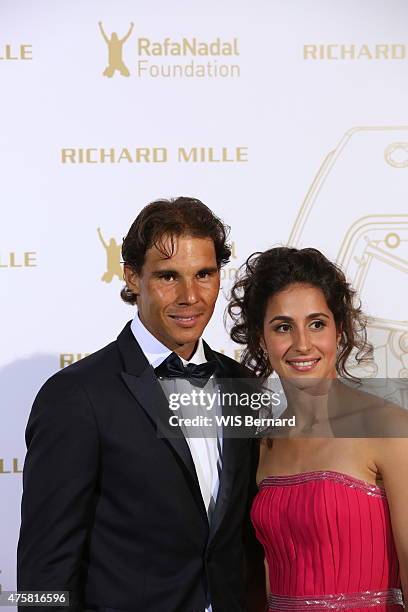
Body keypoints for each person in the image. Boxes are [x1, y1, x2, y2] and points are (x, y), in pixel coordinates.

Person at [17, 197, 265, 612]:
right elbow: (45, 572)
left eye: (204, 274)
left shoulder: (242, 385)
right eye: (169, 276)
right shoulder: (77, 396)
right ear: (132, 277)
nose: (191, 296)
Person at [228, 246, 408, 611]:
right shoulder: (264, 443)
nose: (302, 344)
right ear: (261, 339)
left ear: (338, 329)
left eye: (316, 323)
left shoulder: (387, 427)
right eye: (282, 327)